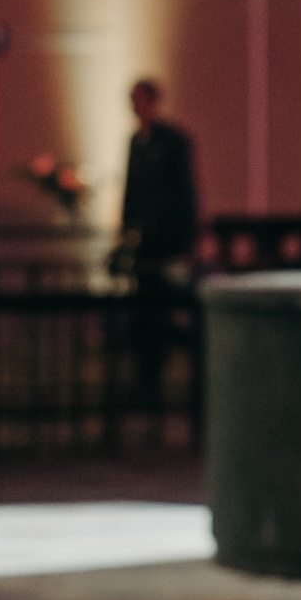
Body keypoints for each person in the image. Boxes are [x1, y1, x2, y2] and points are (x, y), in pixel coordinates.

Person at [119, 78, 198, 408]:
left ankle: (162, 381)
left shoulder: (173, 141)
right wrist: (125, 230)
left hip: (167, 243)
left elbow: (186, 192)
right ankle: (147, 381)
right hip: (146, 244)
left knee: (164, 313)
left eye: (139, 99)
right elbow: (131, 192)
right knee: (146, 314)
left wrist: (185, 242)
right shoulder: (136, 142)